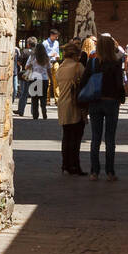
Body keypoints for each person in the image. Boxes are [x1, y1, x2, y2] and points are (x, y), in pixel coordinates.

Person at [81, 33, 126, 181]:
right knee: (110, 138)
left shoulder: (92, 63)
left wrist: (83, 102)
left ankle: (94, 171)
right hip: (111, 102)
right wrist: (121, 98)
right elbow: (120, 84)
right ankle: (110, 172)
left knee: (95, 138)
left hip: (95, 102)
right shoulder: (116, 63)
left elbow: (83, 82)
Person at [55, 41, 87, 175]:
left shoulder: (60, 68)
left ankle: (65, 165)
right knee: (76, 138)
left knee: (66, 136)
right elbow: (85, 83)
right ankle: (75, 165)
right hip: (75, 105)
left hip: (62, 104)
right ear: (76, 55)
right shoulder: (78, 67)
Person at [25, 42, 51, 120]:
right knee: (43, 98)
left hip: (35, 79)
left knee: (34, 99)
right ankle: (44, 113)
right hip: (44, 79)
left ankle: (35, 115)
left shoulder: (32, 57)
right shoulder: (46, 58)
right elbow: (49, 70)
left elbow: (26, 67)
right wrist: (51, 80)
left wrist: (32, 64)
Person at [15, 37, 37, 116]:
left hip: (25, 74)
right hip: (35, 75)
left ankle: (21, 110)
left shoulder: (24, 51)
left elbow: (19, 63)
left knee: (23, 93)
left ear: (28, 44)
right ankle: (34, 111)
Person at [43, 28, 61, 105]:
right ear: (51, 35)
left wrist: (58, 56)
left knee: (56, 81)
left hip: (55, 62)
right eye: (56, 36)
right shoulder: (45, 43)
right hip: (47, 63)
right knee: (48, 82)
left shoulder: (57, 43)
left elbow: (57, 52)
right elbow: (42, 54)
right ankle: (47, 100)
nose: (57, 38)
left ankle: (57, 100)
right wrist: (50, 55)